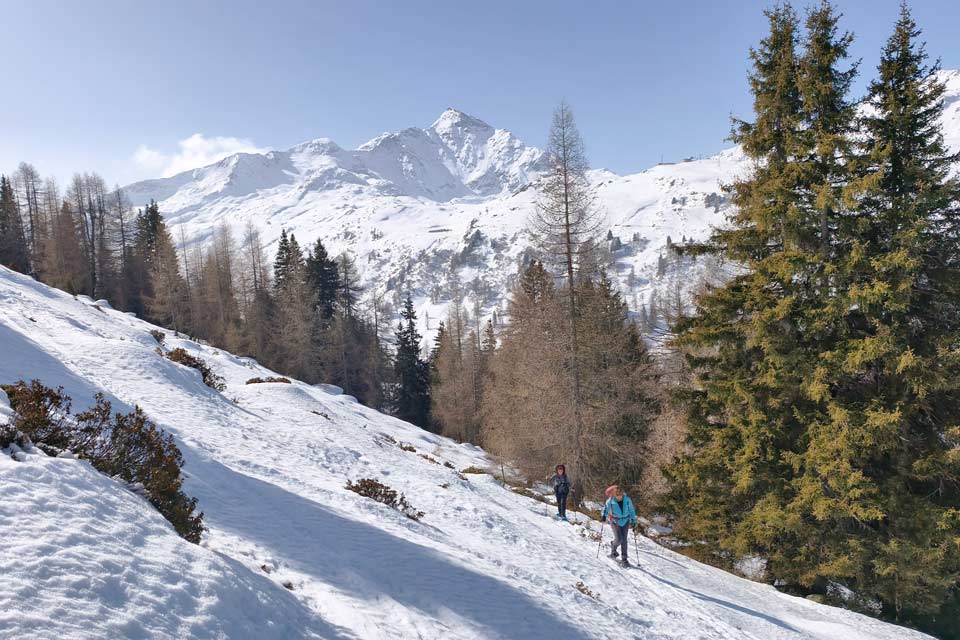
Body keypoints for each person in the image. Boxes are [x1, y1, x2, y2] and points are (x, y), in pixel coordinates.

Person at [601, 484, 636, 567]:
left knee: (624, 540)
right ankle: (613, 548)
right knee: (619, 539)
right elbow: (605, 509)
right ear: (614, 495)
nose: (619, 497)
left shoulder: (627, 500)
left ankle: (624, 559)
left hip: (625, 521)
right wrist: (603, 516)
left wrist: (633, 520)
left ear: (622, 494)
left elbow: (631, 510)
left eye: (620, 495)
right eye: (617, 496)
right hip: (615, 521)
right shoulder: (610, 501)